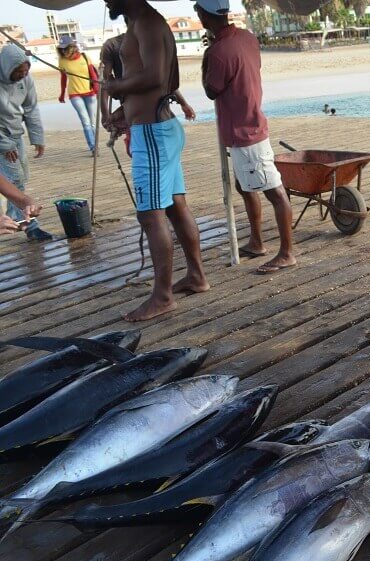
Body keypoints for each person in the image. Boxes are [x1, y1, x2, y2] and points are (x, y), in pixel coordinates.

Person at [104, 0, 209, 321]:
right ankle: (196, 276)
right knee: (176, 206)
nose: (106, 1)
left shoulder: (148, 23)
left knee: (150, 215)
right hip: (158, 129)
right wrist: (125, 109)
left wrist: (114, 86)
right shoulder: (140, 24)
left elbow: (157, 77)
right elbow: (159, 82)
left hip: (153, 134)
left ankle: (162, 296)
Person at [196, 0, 296, 274]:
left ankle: (286, 252)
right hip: (248, 124)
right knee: (245, 186)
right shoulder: (247, 38)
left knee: (273, 190)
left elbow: (211, 89)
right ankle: (257, 241)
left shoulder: (218, 52)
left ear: (204, 15)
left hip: (245, 130)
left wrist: (206, 59)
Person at [100, 27, 197, 150]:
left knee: (146, 152)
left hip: (147, 114)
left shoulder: (112, 45)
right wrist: (184, 104)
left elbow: (105, 84)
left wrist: (105, 115)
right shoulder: (115, 45)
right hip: (152, 114)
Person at [0, 44, 52, 242]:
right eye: (18, 71)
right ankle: (29, 225)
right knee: (14, 178)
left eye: (26, 70)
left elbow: (31, 109)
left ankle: (16, 217)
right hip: (2, 139)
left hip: (15, 134)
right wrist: (4, 145)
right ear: (6, 68)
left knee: (21, 177)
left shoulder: (26, 79)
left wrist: (37, 137)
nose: (23, 74)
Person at [57, 37, 98, 153]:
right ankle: (93, 147)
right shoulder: (62, 61)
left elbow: (93, 75)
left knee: (92, 121)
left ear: (72, 47)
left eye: (65, 48)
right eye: (62, 49)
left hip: (89, 93)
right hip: (75, 94)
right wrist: (62, 94)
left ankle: (95, 143)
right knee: (85, 121)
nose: (63, 51)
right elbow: (63, 78)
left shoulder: (85, 57)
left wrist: (96, 88)